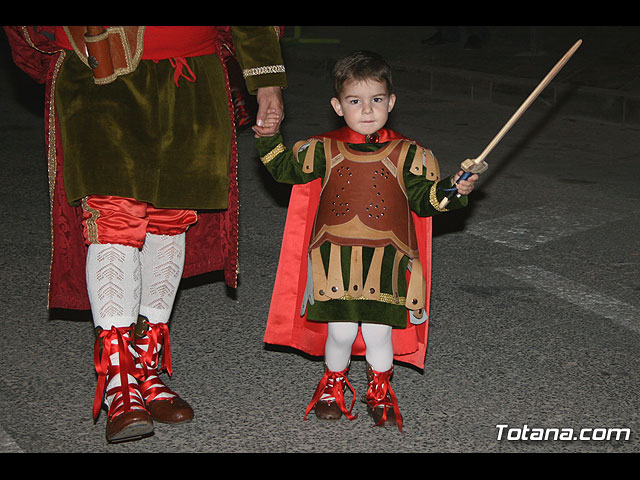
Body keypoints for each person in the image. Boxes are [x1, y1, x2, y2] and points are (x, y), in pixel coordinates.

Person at [3, 26, 286, 443]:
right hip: (98, 76)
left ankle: (143, 366)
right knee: (113, 216)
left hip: (191, 77)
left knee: (170, 219)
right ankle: (119, 382)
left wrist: (266, 81)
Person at [253, 50, 477, 431]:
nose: (367, 109)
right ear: (338, 106)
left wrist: (455, 189)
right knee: (339, 331)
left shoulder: (409, 153)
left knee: (378, 332)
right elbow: (285, 171)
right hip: (332, 256)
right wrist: (268, 137)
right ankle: (333, 385)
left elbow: (426, 201)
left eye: (376, 99)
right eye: (355, 101)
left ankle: (380, 389)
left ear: (391, 102)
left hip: (386, 259)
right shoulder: (322, 148)